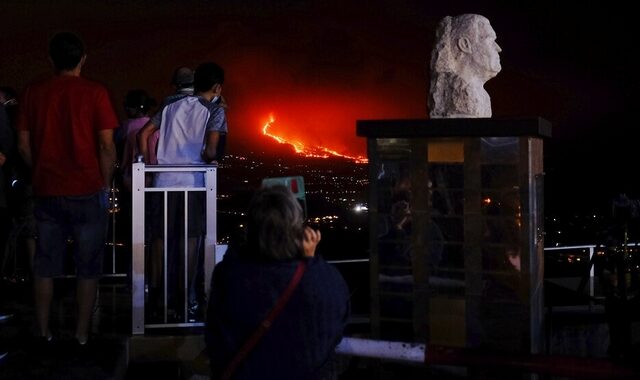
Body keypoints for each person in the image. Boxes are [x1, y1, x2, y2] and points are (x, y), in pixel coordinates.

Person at [16, 32, 118, 346]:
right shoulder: (96, 93)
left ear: (51, 59)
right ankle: (82, 334)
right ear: (83, 59)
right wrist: (104, 181)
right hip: (88, 189)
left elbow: (22, 143)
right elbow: (105, 144)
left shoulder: (33, 92)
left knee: (44, 265)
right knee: (88, 267)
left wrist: (42, 170)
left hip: (46, 190)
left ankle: (44, 331)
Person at [205, 185, 350, 380]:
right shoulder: (326, 281)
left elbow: (215, 341)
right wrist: (310, 261)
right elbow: (334, 333)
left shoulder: (229, 277)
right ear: (298, 231)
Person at [137, 62, 228, 321]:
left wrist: (149, 165)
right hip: (193, 182)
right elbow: (211, 151)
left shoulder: (169, 105)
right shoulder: (214, 110)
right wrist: (208, 157)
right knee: (190, 241)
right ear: (217, 87)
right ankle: (186, 300)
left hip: (163, 182)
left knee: (159, 240)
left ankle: (156, 299)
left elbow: (143, 134)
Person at [428, 14, 502, 118]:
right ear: (465, 45)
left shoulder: (482, 96)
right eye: (490, 41)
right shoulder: (461, 90)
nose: (498, 48)